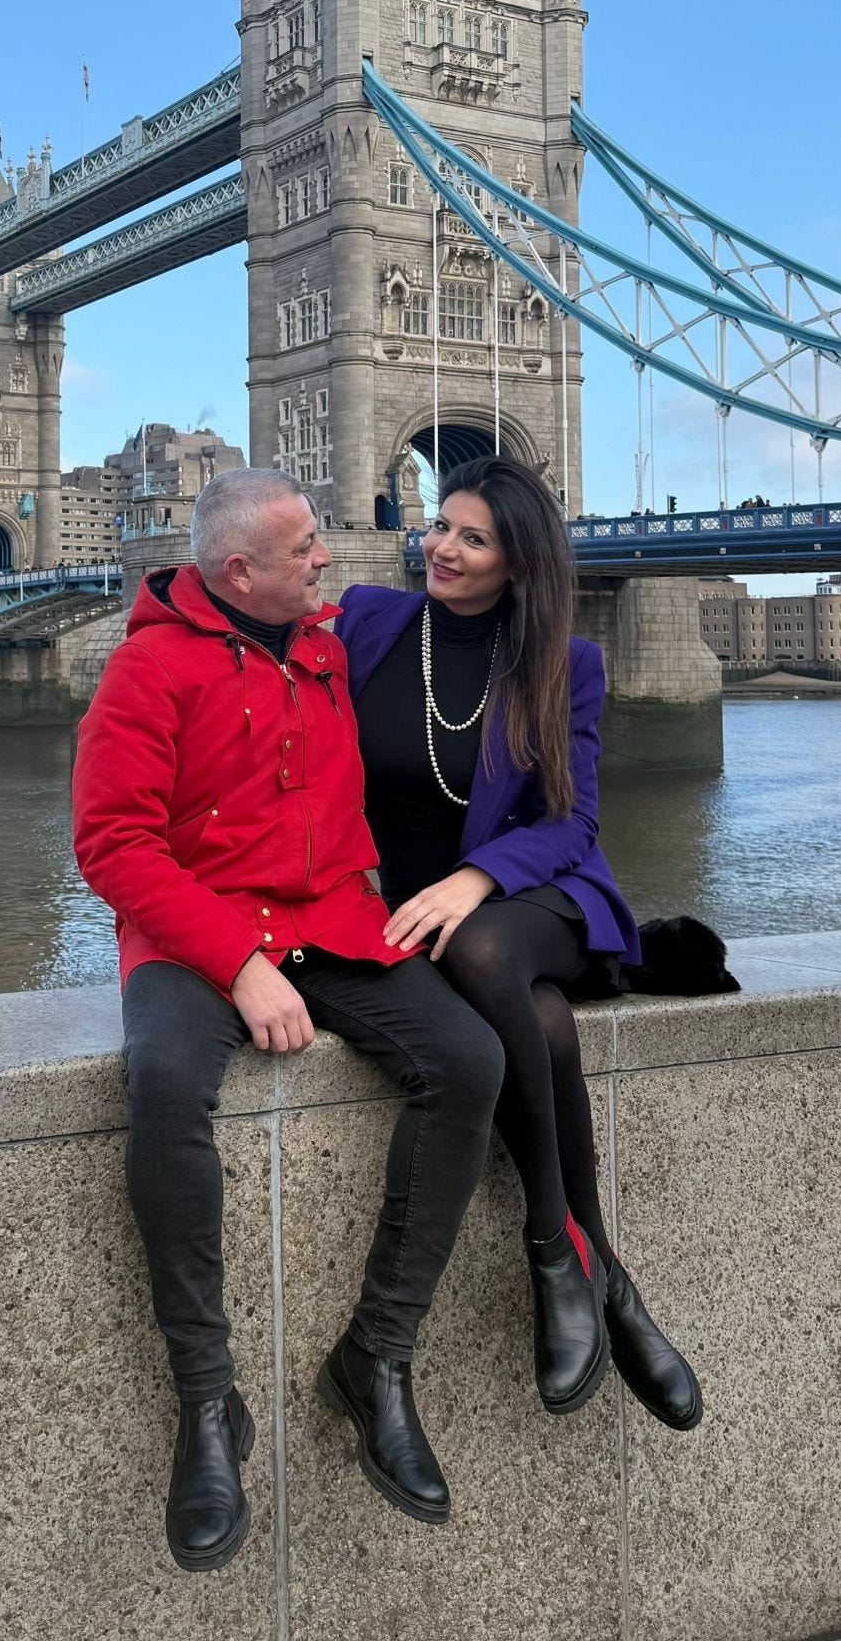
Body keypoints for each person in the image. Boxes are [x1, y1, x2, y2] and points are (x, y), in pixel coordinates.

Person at [73, 469, 504, 1570]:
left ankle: (377, 1357)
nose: (329, 558)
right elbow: (112, 844)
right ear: (238, 571)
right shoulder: (145, 669)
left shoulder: (327, 643)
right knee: (166, 1084)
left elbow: (464, 626)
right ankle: (207, 1401)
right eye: (306, 546)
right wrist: (237, 961)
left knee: (468, 1059)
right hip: (198, 932)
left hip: (331, 921)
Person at [335, 455, 702, 1433]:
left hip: (533, 896)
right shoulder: (366, 622)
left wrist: (478, 877)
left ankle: (550, 1243)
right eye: (440, 527)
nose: (442, 548)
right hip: (412, 910)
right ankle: (603, 1274)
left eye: (473, 538)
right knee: (535, 1019)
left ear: (519, 563)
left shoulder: (563, 663)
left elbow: (570, 821)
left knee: (488, 954)